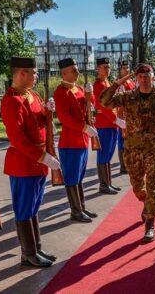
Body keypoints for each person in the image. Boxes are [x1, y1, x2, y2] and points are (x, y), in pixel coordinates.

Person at [100, 63, 155, 242]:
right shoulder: (128, 97)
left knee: (152, 187)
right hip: (133, 151)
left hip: (154, 150)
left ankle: (150, 222)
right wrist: (118, 82)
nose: (143, 79)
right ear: (136, 79)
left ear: (153, 77)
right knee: (137, 187)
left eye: (147, 76)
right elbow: (104, 102)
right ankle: (147, 203)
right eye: (140, 76)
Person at [0, 56, 59, 267]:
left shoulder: (32, 95)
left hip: (39, 162)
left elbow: (40, 122)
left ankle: (36, 248)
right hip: (24, 164)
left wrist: (47, 111)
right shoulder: (11, 100)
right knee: (24, 209)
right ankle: (28, 254)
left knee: (34, 208)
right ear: (22, 73)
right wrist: (43, 157)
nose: (36, 76)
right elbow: (18, 139)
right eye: (33, 73)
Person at [53, 58, 97, 223]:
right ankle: (75, 211)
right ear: (64, 73)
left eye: (77, 70)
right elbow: (65, 118)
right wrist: (84, 128)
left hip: (82, 141)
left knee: (79, 177)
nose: (77, 73)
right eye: (73, 70)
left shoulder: (78, 88)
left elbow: (91, 107)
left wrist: (89, 94)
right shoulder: (61, 92)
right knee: (71, 178)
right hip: (70, 143)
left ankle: (82, 207)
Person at [93, 57, 124, 194]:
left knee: (109, 155)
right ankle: (103, 184)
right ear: (98, 69)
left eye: (108, 66)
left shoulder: (107, 83)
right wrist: (115, 119)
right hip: (105, 124)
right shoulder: (98, 85)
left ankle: (108, 182)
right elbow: (102, 106)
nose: (107, 69)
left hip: (111, 124)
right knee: (103, 154)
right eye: (104, 67)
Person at [116, 60, 135, 174]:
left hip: (131, 115)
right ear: (120, 70)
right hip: (123, 115)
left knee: (130, 140)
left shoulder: (130, 81)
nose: (126, 69)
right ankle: (123, 166)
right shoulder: (119, 83)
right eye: (124, 68)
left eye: (127, 67)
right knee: (122, 140)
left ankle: (129, 162)